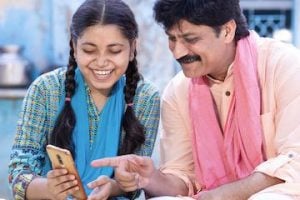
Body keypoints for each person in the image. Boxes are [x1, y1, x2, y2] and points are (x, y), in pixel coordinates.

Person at [91, 0, 300, 199]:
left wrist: (227, 195)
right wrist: (150, 178)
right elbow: (183, 179)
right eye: (172, 38)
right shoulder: (178, 91)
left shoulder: (283, 66)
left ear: (227, 31)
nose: (178, 52)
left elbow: (295, 162)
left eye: (191, 39)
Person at [8, 0, 160, 199]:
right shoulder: (46, 90)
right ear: (74, 45)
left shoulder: (146, 97)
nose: (101, 62)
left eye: (114, 51)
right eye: (89, 50)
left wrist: (114, 186)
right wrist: (48, 188)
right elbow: (18, 174)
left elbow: (135, 182)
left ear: (132, 48)